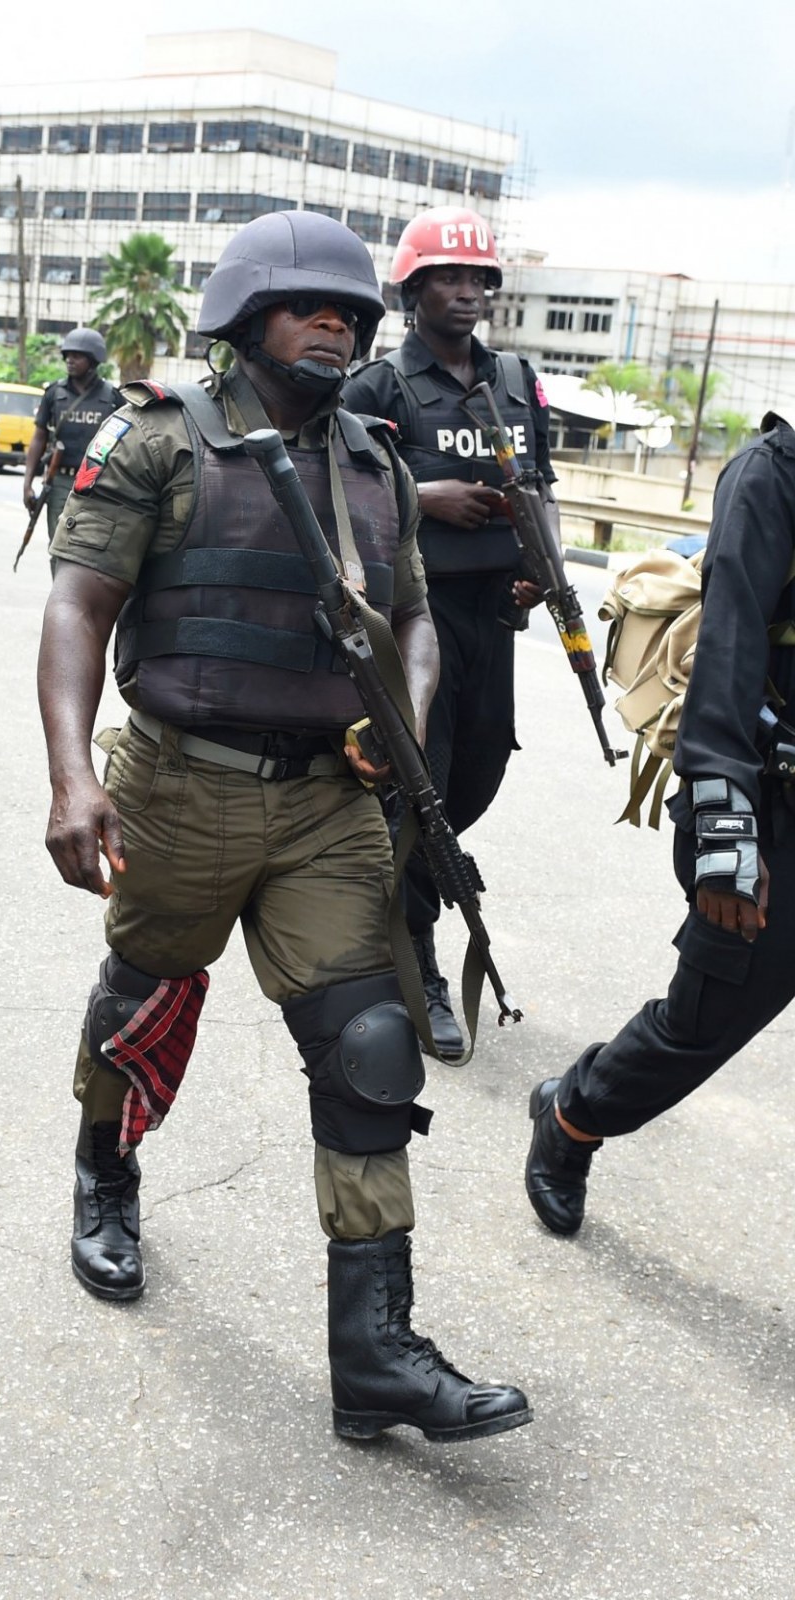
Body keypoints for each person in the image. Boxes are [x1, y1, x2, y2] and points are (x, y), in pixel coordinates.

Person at [40, 210, 531, 1443]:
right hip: (179, 783)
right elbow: (76, 606)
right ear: (243, 316)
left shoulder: (372, 460)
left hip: (330, 800)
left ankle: (373, 1358)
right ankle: (107, 1173)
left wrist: (403, 721)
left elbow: (413, 617)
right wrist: (68, 776)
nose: (336, 325)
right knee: (142, 998)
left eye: (352, 312)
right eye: (309, 306)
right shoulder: (159, 438)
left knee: (370, 1046)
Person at [524, 409, 795, 1237]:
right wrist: (726, 824)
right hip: (766, 793)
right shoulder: (772, 474)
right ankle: (575, 1115)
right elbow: (729, 647)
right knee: (707, 1019)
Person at [340, 209, 553, 1061]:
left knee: (477, 773)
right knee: (422, 784)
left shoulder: (513, 377)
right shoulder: (380, 387)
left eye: (480, 279)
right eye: (449, 278)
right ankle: (413, 956)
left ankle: (391, 893)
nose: (467, 292)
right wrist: (427, 499)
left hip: (494, 612)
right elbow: (338, 487)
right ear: (414, 290)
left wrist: (548, 566)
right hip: (413, 615)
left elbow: (539, 479)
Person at [23, 327, 122, 545]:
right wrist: (27, 483)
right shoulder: (54, 393)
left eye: (77, 356)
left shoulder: (112, 397)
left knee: (90, 545)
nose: (70, 360)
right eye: (67, 355)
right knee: (57, 544)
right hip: (60, 480)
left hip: (98, 483)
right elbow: (39, 438)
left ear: (93, 360)